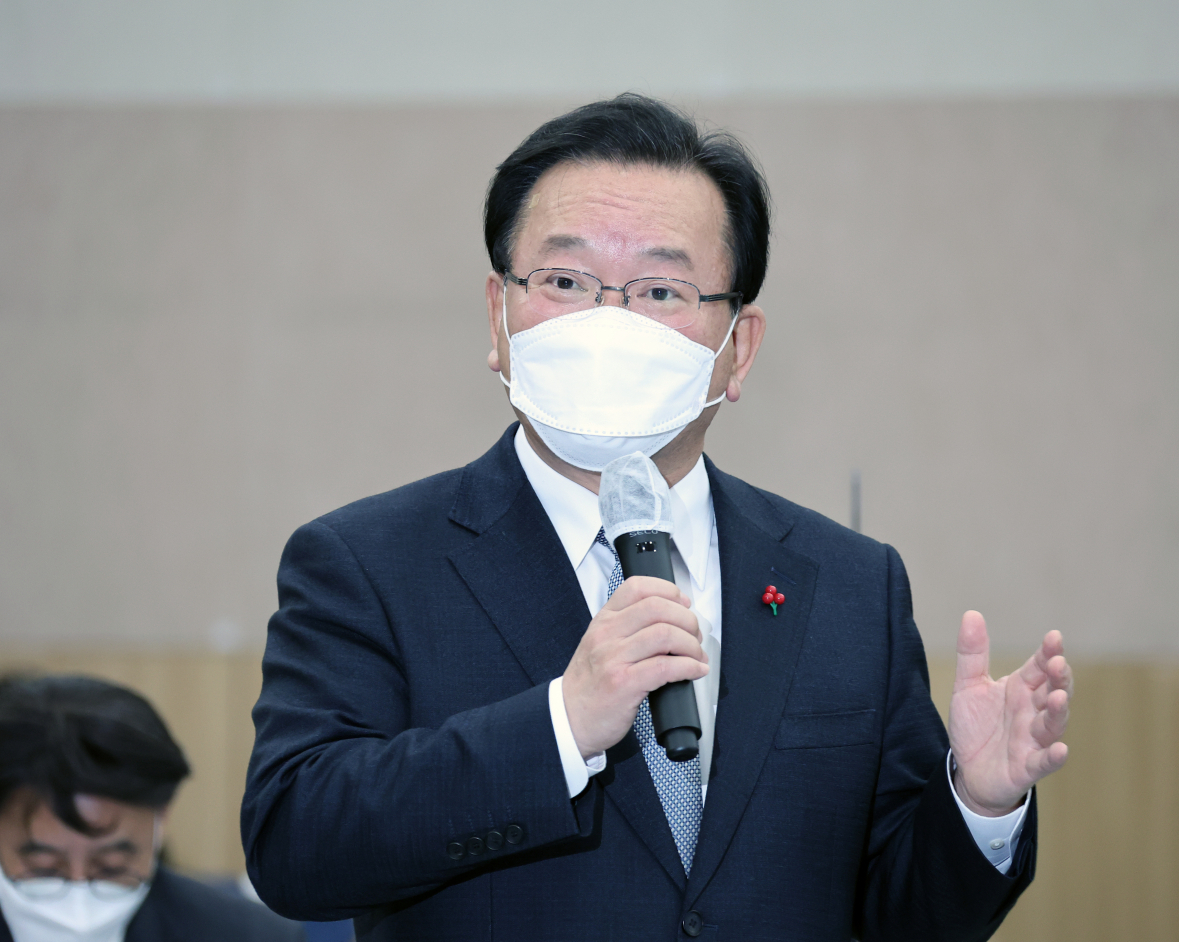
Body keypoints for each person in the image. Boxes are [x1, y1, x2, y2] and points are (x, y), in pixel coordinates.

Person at [242, 94, 1073, 941]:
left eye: (661, 289)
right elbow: (294, 844)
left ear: (737, 349)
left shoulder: (851, 585)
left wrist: (978, 800)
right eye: (565, 281)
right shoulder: (367, 563)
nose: (609, 324)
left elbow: (906, 918)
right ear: (498, 315)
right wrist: (562, 725)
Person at [0, 674, 304, 942]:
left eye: (112, 867)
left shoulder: (249, 936)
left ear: (161, 818)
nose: (79, 902)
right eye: (44, 868)